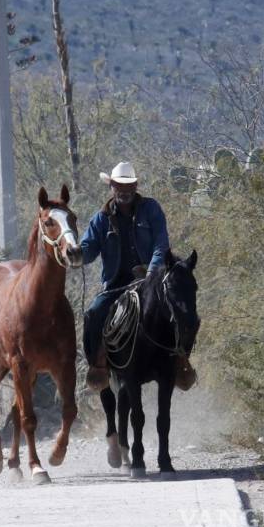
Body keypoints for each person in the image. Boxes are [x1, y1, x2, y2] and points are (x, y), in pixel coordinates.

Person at [79, 162, 196, 392]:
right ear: (111, 187)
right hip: (116, 284)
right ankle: (98, 365)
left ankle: (181, 361)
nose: (125, 192)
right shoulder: (101, 219)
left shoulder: (151, 209)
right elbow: (89, 249)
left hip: (149, 280)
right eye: (120, 187)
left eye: (129, 186)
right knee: (93, 314)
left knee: (181, 310)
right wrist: (75, 254)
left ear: (135, 186)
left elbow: (161, 244)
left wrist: (152, 271)